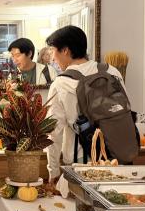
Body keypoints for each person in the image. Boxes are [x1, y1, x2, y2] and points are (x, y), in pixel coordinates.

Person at [44, 25, 125, 185]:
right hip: (115, 160)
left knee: (78, 209)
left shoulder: (61, 83)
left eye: (53, 51)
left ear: (65, 50)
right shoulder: (112, 72)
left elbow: (54, 133)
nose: (53, 58)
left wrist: (53, 171)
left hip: (80, 164)